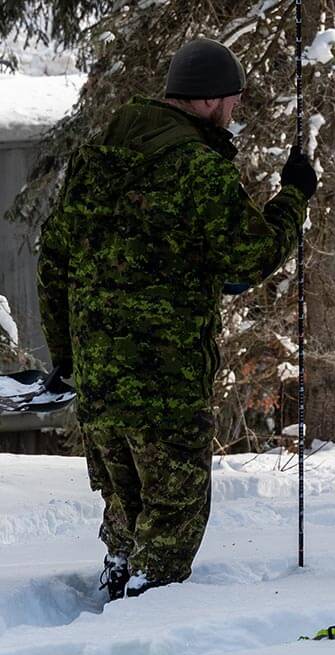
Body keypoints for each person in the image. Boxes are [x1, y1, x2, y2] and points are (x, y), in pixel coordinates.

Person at [37, 38, 318, 599]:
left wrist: (66, 360)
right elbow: (251, 256)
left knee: (125, 504)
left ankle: (113, 599)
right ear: (212, 100)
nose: (234, 113)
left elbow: (54, 260)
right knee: (172, 515)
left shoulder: (100, 157)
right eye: (233, 102)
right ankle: (148, 635)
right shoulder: (195, 166)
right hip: (163, 377)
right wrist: (293, 197)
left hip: (98, 376)